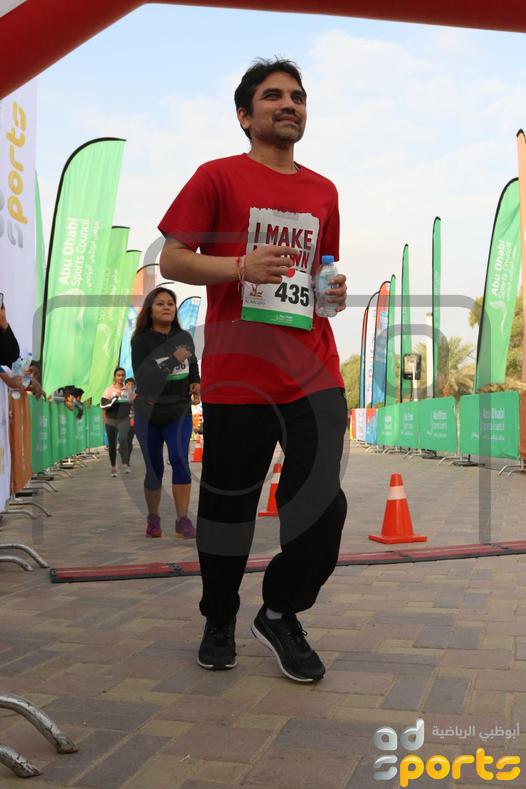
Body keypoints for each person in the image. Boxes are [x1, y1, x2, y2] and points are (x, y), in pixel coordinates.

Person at [158, 58, 348, 683]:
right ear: (245, 115)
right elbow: (173, 261)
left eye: (298, 96)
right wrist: (239, 267)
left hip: (314, 371)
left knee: (322, 504)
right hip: (240, 375)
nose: (289, 104)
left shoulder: (324, 191)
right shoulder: (217, 177)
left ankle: (281, 610)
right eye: (273, 96)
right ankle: (219, 617)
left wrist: (332, 291)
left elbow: (322, 272)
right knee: (228, 509)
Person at [131, 287, 201, 539]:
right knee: (154, 469)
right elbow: (144, 379)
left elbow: (192, 364)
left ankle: (183, 520)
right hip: (149, 412)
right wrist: (172, 359)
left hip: (178, 410)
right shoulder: (141, 341)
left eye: (170, 303)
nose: (167, 307)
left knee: (180, 459)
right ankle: (153, 518)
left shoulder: (184, 337)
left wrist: (196, 382)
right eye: (160, 303)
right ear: (150, 310)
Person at [100, 367, 132, 477]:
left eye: (123, 375)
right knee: (112, 444)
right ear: (115, 377)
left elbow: (133, 403)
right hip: (111, 420)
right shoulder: (108, 390)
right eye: (118, 375)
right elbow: (103, 405)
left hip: (124, 419)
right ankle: (113, 467)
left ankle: (125, 463)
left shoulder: (128, 390)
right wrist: (115, 396)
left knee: (122, 438)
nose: (121, 377)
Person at [125, 377, 136, 461]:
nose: (130, 386)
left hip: (133, 421)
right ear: (125, 385)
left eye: (132, 384)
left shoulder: (137, 394)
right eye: (128, 384)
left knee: (129, 440)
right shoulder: (122, 394)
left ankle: (127, 458)